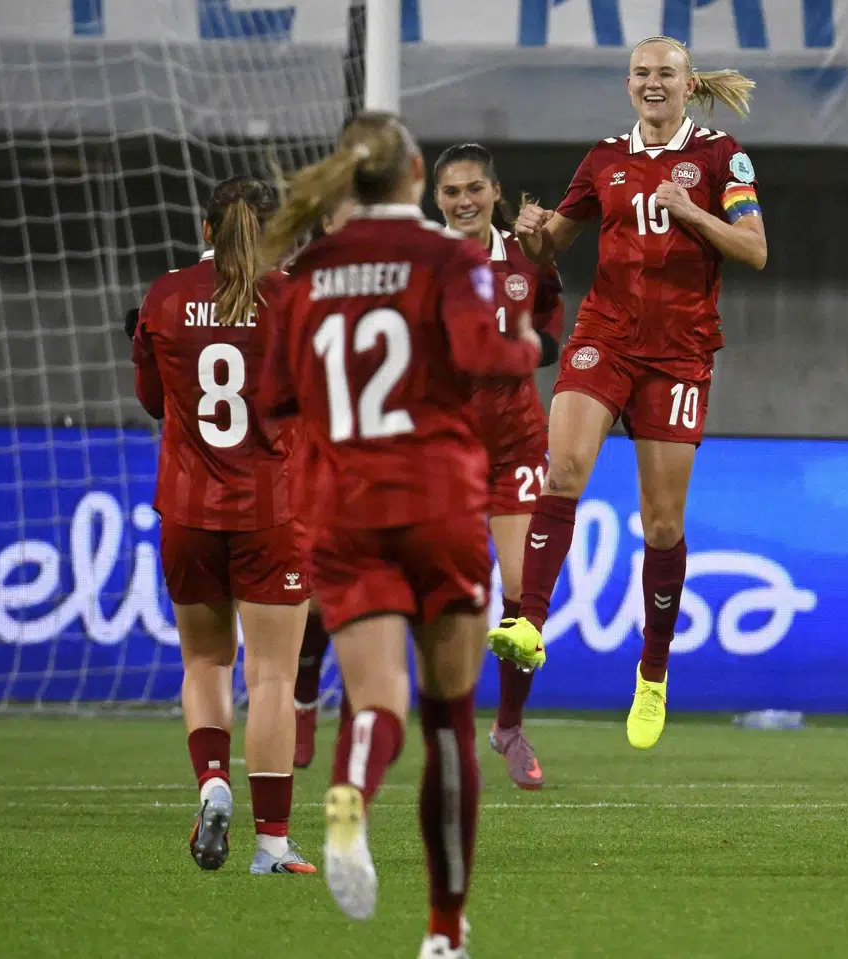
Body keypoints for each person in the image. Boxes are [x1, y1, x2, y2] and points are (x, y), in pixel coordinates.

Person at [257, 111, 540, 959]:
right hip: (439, 501)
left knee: (376, 700)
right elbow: (484, 356)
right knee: (449, 714)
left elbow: (276, 400)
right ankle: (445, 932)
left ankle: (349, 787)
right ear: (416, 173)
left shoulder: (304, 274)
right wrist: (527, 343)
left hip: (342, 508)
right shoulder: (450, 256)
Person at [485, 35, 767, 751]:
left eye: (664, 74)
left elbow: (756, 249)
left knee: (662, 525)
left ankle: (652, 669)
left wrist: (690, 212)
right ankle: (530, 623)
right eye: (641, 73)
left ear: (687, 83)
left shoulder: (719, 155)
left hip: (679, 354)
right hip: (603, 335)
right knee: (566, 468)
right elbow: (554, 247)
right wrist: (532, 235)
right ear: (628, 82)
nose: (652, 83)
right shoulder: (602, 160)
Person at [130, 175, 315, 874]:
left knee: (204, 662)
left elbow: (152, 399)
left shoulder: (166, 296)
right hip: (273, 512)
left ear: (208, 230)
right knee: (270, 676)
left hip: (189, 511)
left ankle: (212, 783)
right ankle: (271, 842)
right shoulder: (297, 303)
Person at [432, 142, 564, 789]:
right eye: (453, 191)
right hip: (445, 452)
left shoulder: (522, 256)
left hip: (515, 446)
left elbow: (550, 327)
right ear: (437, 199)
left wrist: (524, 346)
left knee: (521, 600)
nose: (464, 201)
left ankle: (507, 726)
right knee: (452, 602)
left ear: (494, 191)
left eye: (474, 189)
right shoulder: (420, 267)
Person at [293, 196, 357, 770]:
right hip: (316, 453)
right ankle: (304, 698)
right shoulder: (300, 280)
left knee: (376, 598)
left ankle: (358, 722)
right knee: (316, 599)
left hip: (386, 454)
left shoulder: (405, 273)